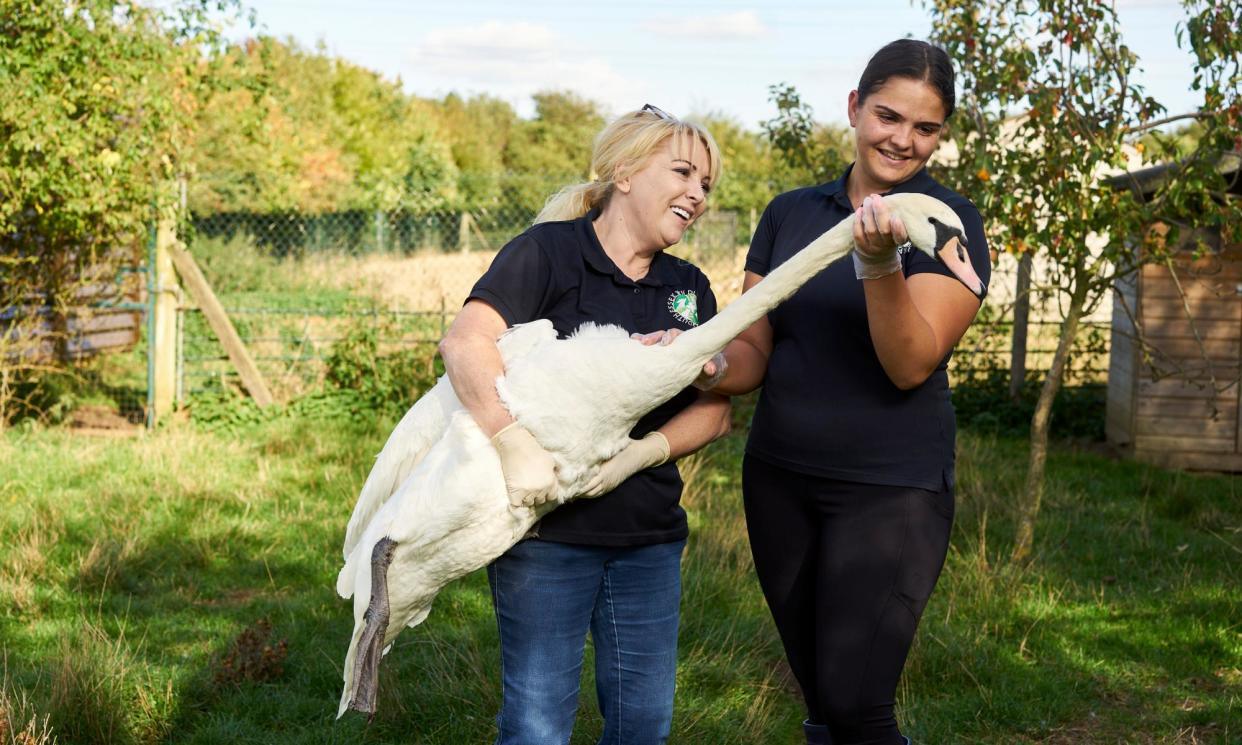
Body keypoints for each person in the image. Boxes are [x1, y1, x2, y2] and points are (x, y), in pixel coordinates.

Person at [696, 40, 992, 745]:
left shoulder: (947, 224)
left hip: (891, 492)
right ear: (855, 108)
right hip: (780, 481)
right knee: (824, 698)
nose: (903, 139)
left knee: (860, 703)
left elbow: (909, 362)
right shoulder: (790, 213)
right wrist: (699, 364)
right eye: (889, 115)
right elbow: (753, 351)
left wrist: (877, 262)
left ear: (941, 135)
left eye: (926, 128)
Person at [437, 106, 731, 745]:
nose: (697, 195)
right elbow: (466, 342)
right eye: (683, 172)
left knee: (643, 726)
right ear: (624, 171)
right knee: (538, 726)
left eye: (706, 185)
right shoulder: (547, 253)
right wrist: (508, 438)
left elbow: (716, 410)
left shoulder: (688, 288)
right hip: (548, 535)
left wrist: (646, 448)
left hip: (649, 539)